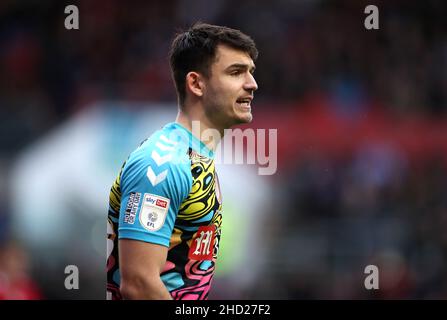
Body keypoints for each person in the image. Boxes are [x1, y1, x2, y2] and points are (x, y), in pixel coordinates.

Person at [106, 22, 258, 300]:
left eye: (250, 72)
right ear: (196, 83)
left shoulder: (197, 157)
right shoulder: (161, 164)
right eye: (236, 72)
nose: (252, 84)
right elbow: (139, 285)